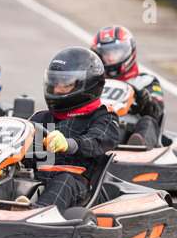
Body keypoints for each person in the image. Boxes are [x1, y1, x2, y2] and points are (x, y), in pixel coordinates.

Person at [19, 47, 120, 213]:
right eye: (55, 83)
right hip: (36, 178)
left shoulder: (103, 116)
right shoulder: (41, 118)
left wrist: (69, 144)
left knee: (64, 181)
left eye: (66, 84)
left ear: (87, 85)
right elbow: (26, 155)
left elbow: (96, 140)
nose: (58, 90)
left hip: (78, 184)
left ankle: (38, 214)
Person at [91, 25, 164, 149]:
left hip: (129, 131)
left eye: (115, 52)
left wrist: (145, 101)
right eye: (106, 53)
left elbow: (157, 113)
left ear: (127, 51)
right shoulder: (93, 82)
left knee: (148, 121)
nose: (110, 57)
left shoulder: (146, 81)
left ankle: (138, 148)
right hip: (97, 130)